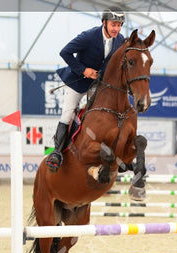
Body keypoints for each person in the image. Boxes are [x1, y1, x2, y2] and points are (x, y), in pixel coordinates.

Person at [46, 7, 126, 172]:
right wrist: (83, 70)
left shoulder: (120, 40)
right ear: (104, 23)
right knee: (68, 113)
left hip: (98, 85)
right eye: (113, 25)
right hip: (78, 82)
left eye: (119, 25)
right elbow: (65, 52)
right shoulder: (89, 36)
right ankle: (57, 153)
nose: (116, 29)